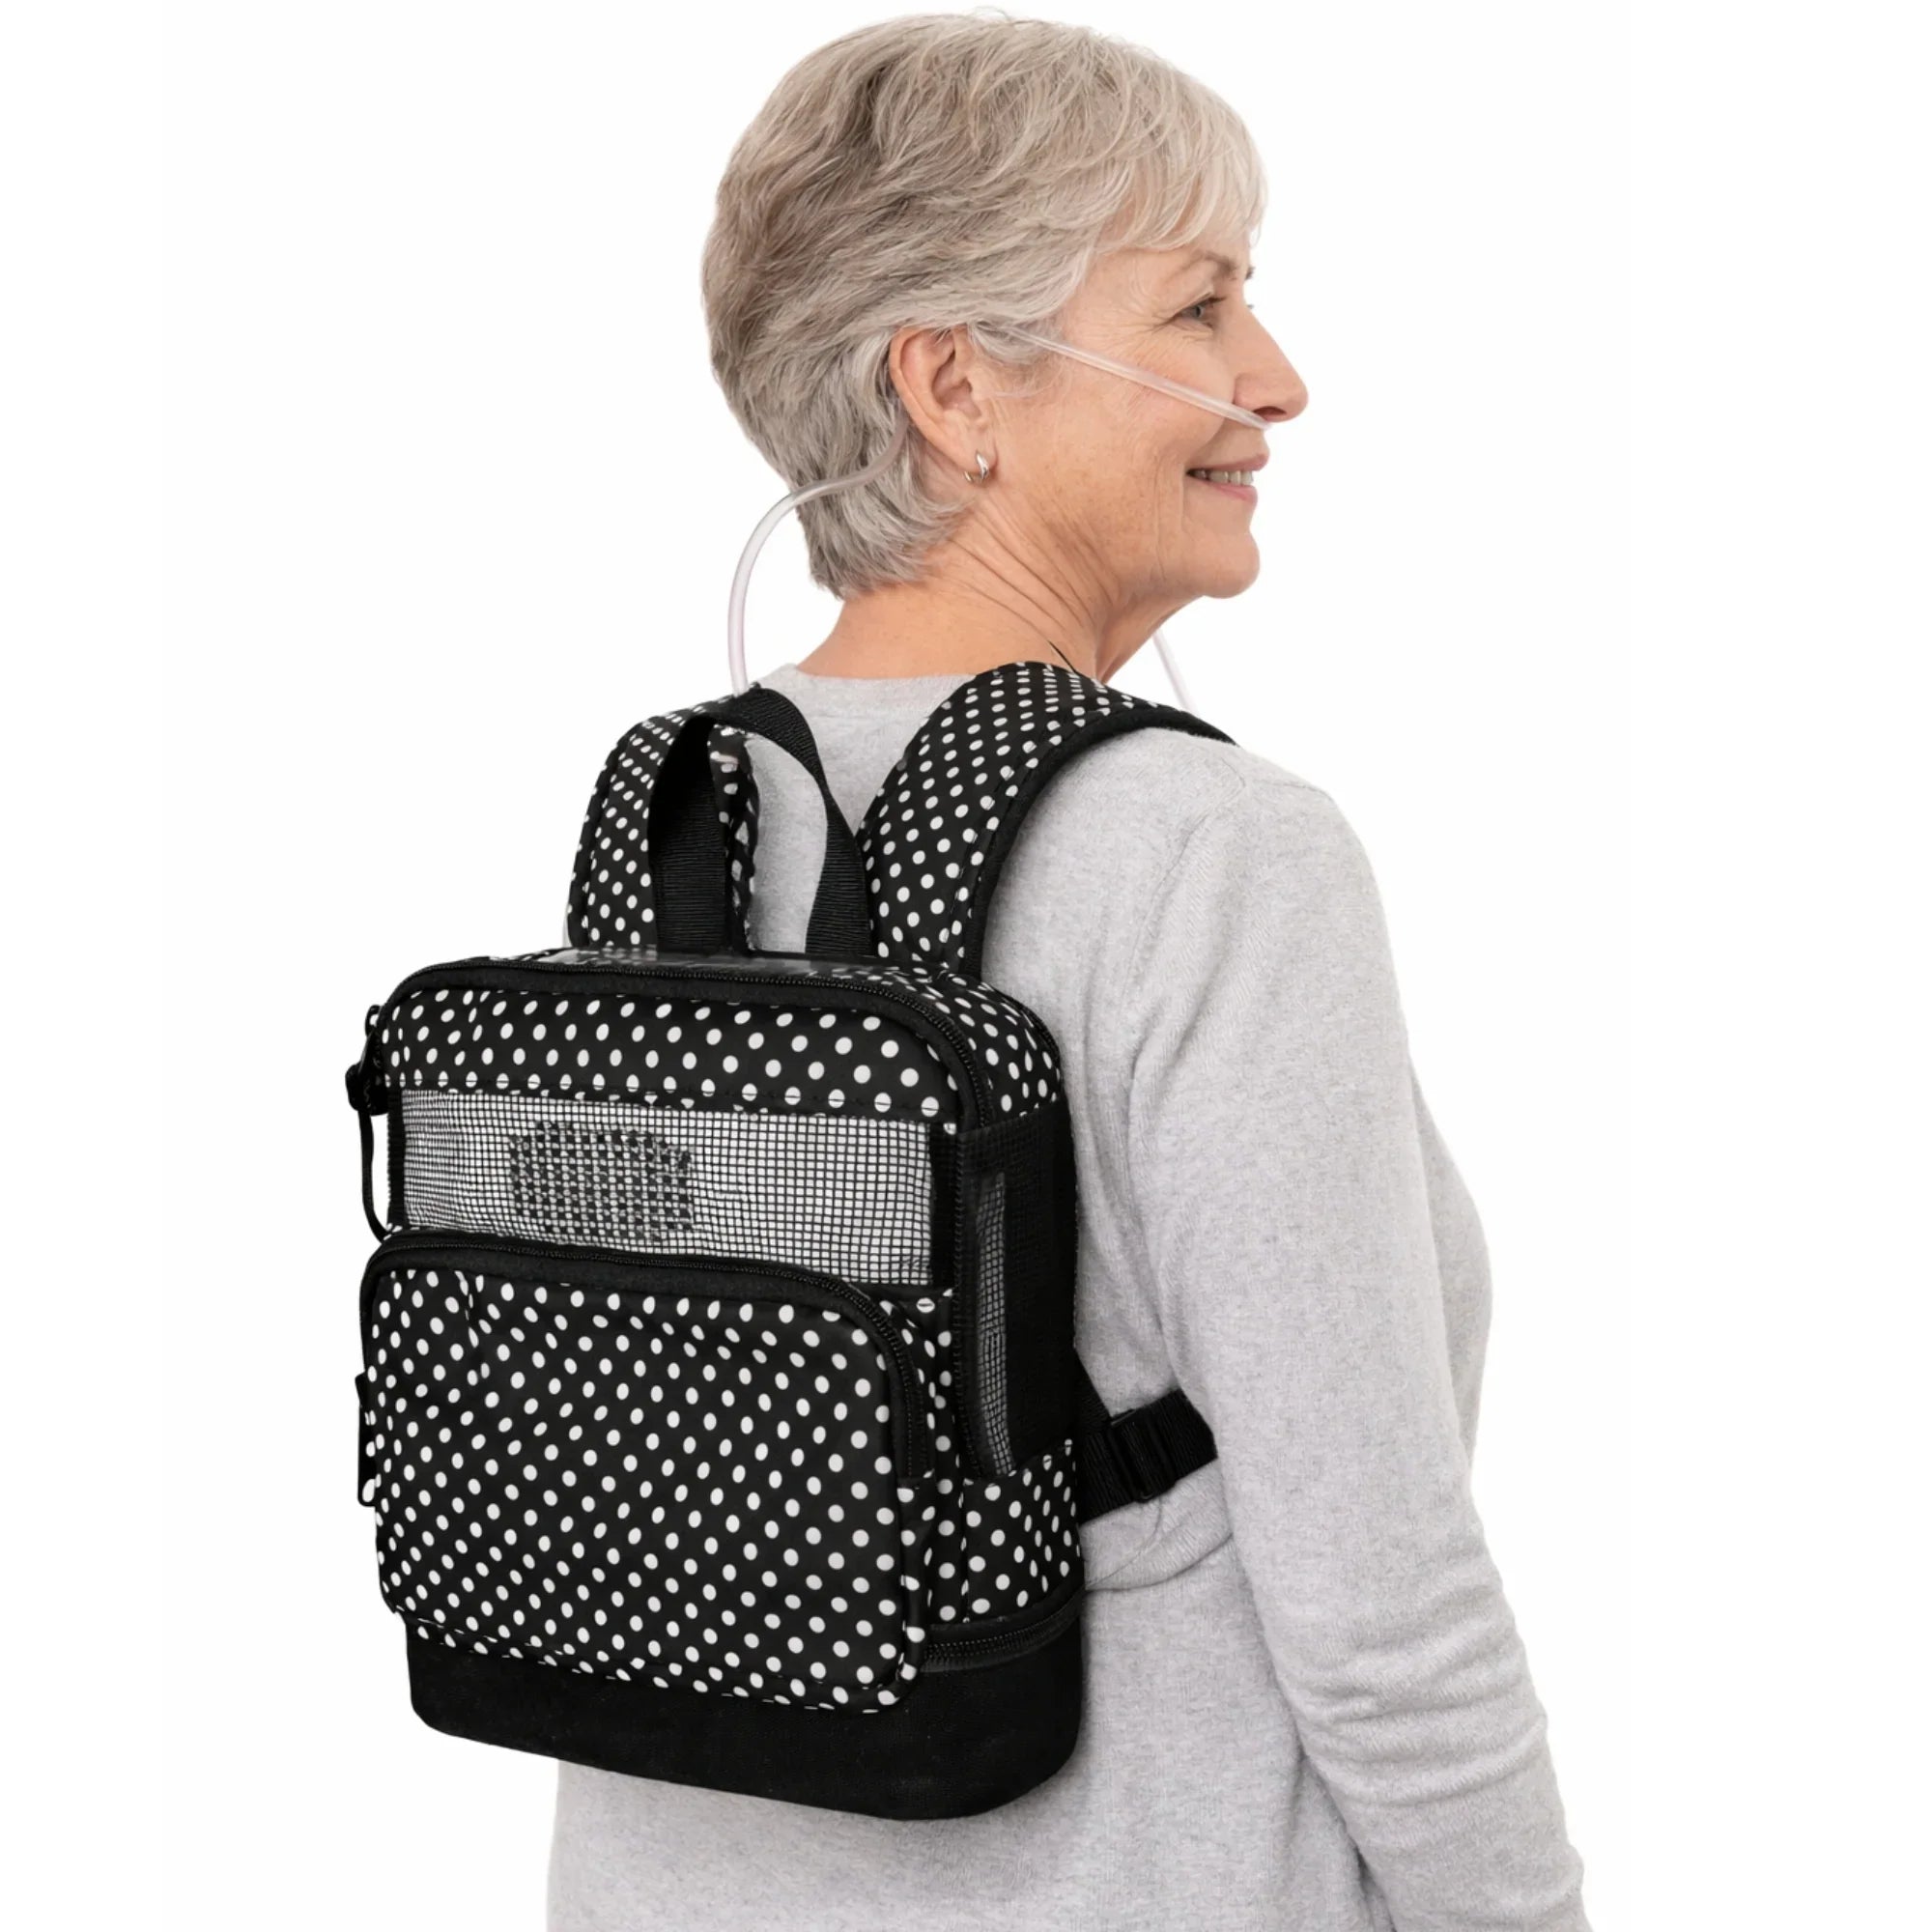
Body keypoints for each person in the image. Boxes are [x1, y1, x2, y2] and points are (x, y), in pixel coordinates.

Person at [548, 14, 1592, 1929]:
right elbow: (1382, 1617)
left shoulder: (681, 828)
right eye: (1198, 306)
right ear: (956, 385)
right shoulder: (1213, 857)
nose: (1277, 378)